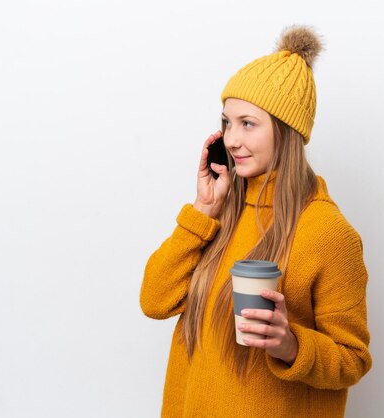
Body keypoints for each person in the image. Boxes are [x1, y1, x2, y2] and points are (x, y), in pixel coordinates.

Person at [140, 24, 372, 418]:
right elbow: (155, 301)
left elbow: (352, 360)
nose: (230, 139)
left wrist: (291, 344)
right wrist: (202, 211)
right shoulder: (222, 212)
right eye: (227, 122)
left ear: (286, 131)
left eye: (248, 123)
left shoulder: (328, 233)